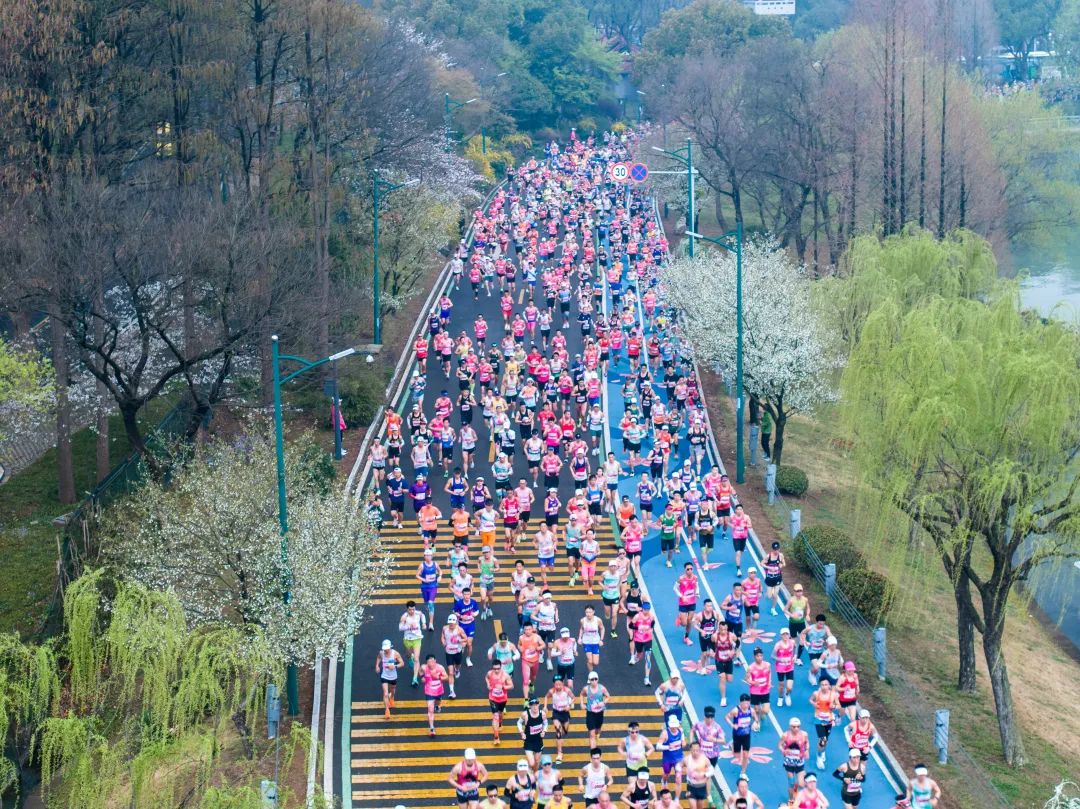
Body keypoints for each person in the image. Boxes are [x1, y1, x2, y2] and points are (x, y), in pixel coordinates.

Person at [809, 679, 841, 769]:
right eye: (822, 685)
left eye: (826, 684)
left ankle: (822, 751)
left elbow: (839, 705)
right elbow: (811, 700)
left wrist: (834, 706)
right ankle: (819, 757)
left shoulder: (833, 695)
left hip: (829, 720)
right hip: (818, 719)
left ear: (829, 686)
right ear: (820, 686)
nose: (824, 686)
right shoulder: (816, 694)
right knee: (822, 740)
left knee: (825, 740)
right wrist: (814, 704)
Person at [544, 674, 575, 763]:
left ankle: (560, 739)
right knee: (558, 732)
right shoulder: (551, 691)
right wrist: (545, 707)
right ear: (554, 684)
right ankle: (559, 753)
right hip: (556, 713)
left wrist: (569, 705)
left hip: (565, 713)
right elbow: (546, 697)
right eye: (556, 684)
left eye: (560, 684)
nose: (558, 686)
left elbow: (573, 698)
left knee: (565, 731)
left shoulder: (567, 690)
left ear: (563, 683)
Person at [779, 716, 810, 802]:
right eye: (794, 727)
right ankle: (791, 800)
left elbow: (807, 743)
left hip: (799, 763)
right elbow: (779, 745)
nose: (796, 729)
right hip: (789, 763)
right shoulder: (785, 735)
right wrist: (783, 750)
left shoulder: (804, 734)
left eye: (798, 726)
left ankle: (796, 791)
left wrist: (807, 750)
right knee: (791, 783)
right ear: (790, 726)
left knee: (801, 784)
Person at [656, 715, 685, 801]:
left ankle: (677, 799)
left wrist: (683, 742)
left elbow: (683, 740)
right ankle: (664, 781)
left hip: (678, 759)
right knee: (666, 774)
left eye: (675, 726)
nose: (674, 728)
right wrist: (668, 747)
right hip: (668, 759)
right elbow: (658, 746)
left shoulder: (681, 730)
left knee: (678, 779)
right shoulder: (665, 733)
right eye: (672, 726)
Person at [725, 693, 754, 780]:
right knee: (736, 756)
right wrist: (732, 725)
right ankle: (732, 745)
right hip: (737, 735)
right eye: (744, 703)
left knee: (745, 754)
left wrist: (756, 723)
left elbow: (756, 718)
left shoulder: (751, 710)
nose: (746, 705)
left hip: (747, 735)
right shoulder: (736, 710)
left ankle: (743, 772)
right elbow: (726, 717)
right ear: (740, 703)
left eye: (747, 703)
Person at [398, 600, 427, 685]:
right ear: (407, 609)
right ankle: (410, 658)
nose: (412, 611)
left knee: (416, 659)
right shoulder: (404, 617)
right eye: (410, 609)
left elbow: (423, 615)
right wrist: (408, 627)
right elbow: (400, 628)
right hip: (407, 639)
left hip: (417, 638)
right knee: (409, 655)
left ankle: (415, 678)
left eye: (413, 609)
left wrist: (424, 623)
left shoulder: (418, 613)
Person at [744, 646, 772, 731]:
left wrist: (769, 682)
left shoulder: (767, 665)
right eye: (757, 656)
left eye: (761, 655)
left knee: (766, 710)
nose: (759, 657)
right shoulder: (751, 667)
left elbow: (769, 673)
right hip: (755, 691)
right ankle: (757, 722)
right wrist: (753, 682)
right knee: (756, 709)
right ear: (754, 656)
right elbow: (746, 679)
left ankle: (762, 714)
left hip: (765, 690)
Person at [713, 622, 740, 707]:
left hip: (728, 660)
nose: (723, 631)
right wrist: (712, 651)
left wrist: (733, 651)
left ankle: (723, 684)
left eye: (725, 629)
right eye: (721, 629)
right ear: (719, 629)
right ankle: (723, 698)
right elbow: (710, 644)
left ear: (727, 629)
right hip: (719, 660)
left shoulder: (731, 636)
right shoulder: (715, 636)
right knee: (722, 678)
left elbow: (738, 643)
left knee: (729, 679)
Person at [487, 659, 514, 744]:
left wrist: (503, 687)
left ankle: (500, 722)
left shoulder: (505, 675)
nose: (496, 670)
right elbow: (486, 678)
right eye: (494, 669)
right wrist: (488, 685)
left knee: (500, 714)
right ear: (492, 668)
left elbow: (512, 686)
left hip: (502, 699)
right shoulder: (489, 673)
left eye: (498, 668)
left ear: (501, 667)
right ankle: (496, 737)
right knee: (495, 716)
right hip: (493, 698)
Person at [421, 654, 449, 737]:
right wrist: (422, 677)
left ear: (435, 661)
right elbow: (420, 672)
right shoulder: (424, 667)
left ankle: (437, 705)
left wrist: (438, 678)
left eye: (432, 661)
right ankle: (432, 728)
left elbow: (447, 677)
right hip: (429, 692)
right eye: (429, 662)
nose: (431, 664)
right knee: (430, 709)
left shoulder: (440, 668)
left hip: (438, 691)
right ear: (427, 662)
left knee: (438, 703)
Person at [518, 697, 549, 771]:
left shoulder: (542, 714)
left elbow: (546, 723)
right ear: (529, 706)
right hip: (528, 741)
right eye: (533, 705)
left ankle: (534, 774)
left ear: (539, 704)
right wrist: (522, 733)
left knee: (537, 761)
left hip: (538, 741)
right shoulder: (525, 714)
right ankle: (529, 768)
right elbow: (519, 722)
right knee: (532, 763)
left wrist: (544, 731)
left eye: (536, 704)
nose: (535, 707)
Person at [375, 639, 404, 719]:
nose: (385, 650)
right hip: (384, 676)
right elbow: (378, 658)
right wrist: (377, 666)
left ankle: (392, 697)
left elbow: (402, 663)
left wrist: (394, 666)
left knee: (392, 690)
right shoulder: (381, 653)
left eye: (387, 649)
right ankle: (387, 710)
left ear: (390, 647)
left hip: (393, 676)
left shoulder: (395, 654)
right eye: (384, 649)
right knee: (385, 693)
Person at [442, 614, 469, 699]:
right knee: (450, 672)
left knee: (458, 665)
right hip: (449, 652)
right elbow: (442, 636)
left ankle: (457, 669)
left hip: (457, 651)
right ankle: (452, 691)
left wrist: (459, 640)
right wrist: (443, 642)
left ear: (455, 623)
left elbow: (466, 638)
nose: (451, 625)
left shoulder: (459, 629)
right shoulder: (444, 628)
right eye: (450, 623)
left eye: (452, 624)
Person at [580, 671, 610, 747]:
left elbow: (608, 696)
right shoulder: (586, 689)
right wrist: (582, 703)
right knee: (592, 734)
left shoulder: (602, 688)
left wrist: (603, 702)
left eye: (595, 679)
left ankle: (597, 734)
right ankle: (593, 751)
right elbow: (581, 694)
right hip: (590, 713)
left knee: (598, 729)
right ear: (589, 680)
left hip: (600, 712)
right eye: (592, 679)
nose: (594, 681)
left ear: (598, 679)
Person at [454, 587, 481, 667]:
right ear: (462, 595)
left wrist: (474, 614)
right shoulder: (459, 603)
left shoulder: (473, 602)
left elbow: (477, 611)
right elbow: (454, 612)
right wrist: (461, 616)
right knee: (462, 644)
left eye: (468, 594)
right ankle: (460, 650)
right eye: (465, 594)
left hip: (470, 625)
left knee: (469, 644)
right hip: (461, 625)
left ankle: (468, 658)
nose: (467, 596)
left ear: (470, 594)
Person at [683, 739, 713, 809]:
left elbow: (711, 770)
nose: (695, 752)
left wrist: (704, 775)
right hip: (691, 787)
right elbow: (678, 767)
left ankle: (709, 797)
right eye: (693, 750)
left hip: (701, 787)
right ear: (690, 750)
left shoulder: (705, 759)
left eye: (697, 750)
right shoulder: (686, 759)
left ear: (700, 750)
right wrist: (683, 771)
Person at [674, 563, 699, 645]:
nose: (690, 570)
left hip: (692, 602)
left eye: (691, 569)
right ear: (685, 570)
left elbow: (697, 586)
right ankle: (680, 617)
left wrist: (697, 593)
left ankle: (686, 637)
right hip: (683, 603)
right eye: (688, 569)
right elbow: (675, 588)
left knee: (689, 621)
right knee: (684, 623)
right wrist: (681, 596)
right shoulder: (681, 578)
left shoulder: (695, 577)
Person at [416, 549, 442, 629]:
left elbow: (440, 571)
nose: (428, 557)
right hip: (424, 587)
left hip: (433, 586)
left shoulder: (435, 564)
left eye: (429, 555)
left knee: (431, 604)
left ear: (432, 556)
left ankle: (431, 623)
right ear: (424, 556)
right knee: (426, 602)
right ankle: (426, 603)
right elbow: (417, 575)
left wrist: (440, 576)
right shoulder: (422, 565)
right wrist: (424, 580)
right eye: (426, 556)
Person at [773, 627, 797, 707]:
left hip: (790, 667)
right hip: (780, 668)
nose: (785, 636)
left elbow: (796, 647)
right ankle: (780, 698)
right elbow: (772, 656)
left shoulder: (792, 642)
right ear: (781, 635)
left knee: (789, 687)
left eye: (787, 634)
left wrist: (795, 655)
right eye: (784, 634)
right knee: (781, 686)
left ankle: (787, 694)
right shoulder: (778, 645)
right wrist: (780, 659)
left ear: (789, 635)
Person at [579, 604, 605, 673]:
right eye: (586, 612)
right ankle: (590, 674)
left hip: (595, 642)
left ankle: (590, 665)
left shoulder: (598, 620)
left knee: (595, 662)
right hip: (586, 642)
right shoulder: (582, 620)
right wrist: (580, 638)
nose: (588, 614)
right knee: (590, 661)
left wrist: (601, 640)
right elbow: (581, 629)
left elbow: (602, 628)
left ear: (593, 612)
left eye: (590, 612)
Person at [762, 541, 786, 615]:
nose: (776, 551)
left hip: (777, 577)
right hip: (770, 578)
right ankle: (767, 593)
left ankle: (773, 609)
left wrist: (781, 565)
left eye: (778, 549)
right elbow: (761, 563)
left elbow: (784, 563)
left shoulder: (781, 555)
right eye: (775, 550)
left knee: (775, 595)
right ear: (772, 549)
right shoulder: (768, 556)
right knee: (769, 596)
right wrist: (769, 567)